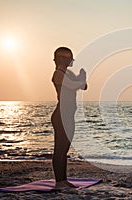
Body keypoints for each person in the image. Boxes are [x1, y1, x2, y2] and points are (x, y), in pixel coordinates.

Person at [51, 47, 87, 188]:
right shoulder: (58, 74)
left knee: (64, 149)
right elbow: (73, 85)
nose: (71, 60)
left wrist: (81, 80)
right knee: (60, 149)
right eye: (69, 57)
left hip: (69, 115)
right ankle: (60, 182)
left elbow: (84, 86)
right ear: (61, 58)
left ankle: (63, 180)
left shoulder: (69, 73)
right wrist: (81, 78)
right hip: (61, 115)